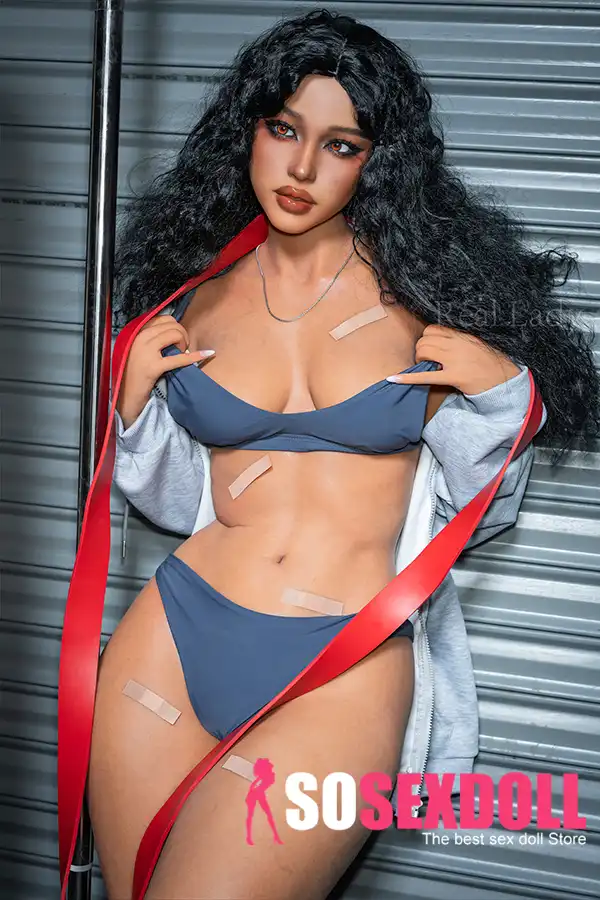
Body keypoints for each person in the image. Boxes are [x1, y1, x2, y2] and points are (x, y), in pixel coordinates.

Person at [83, 8, 598, 900]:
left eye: (341, 145)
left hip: (343, 660)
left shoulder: (423, 300)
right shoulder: (190, 296)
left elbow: (481, 512)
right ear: (247, 129)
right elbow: (180, 502)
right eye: (284, 130)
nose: (302, 168)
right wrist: (132, 416)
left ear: (376, 160)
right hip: (172, 633)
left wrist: (500, 399)